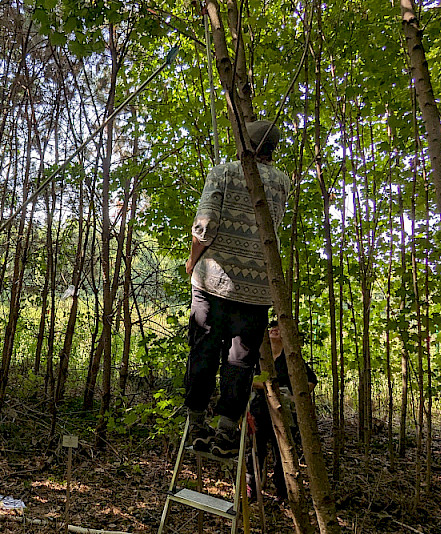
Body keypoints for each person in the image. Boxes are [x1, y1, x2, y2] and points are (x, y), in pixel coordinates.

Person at [184, 120, 291, 457]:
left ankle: (196, 425)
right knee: (240, 360)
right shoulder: (282, 182)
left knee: (203, 350)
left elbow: (205, 226)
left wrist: (192, 261)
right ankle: (226, 433)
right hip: (257, 289)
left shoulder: (224, 172)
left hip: (212, 281)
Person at [246, 320, 317, 501]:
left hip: (284, 414)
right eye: (272, 327)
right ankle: (252, 490)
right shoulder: (260, 355)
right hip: (259, 410)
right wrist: (268, 387)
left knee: (283, 455)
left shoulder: (292, 358)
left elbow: (311, 381)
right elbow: (247, 378)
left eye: (279, 328)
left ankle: (283, 493)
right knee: (256, 452)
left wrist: (295, 396)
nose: (275, 330)